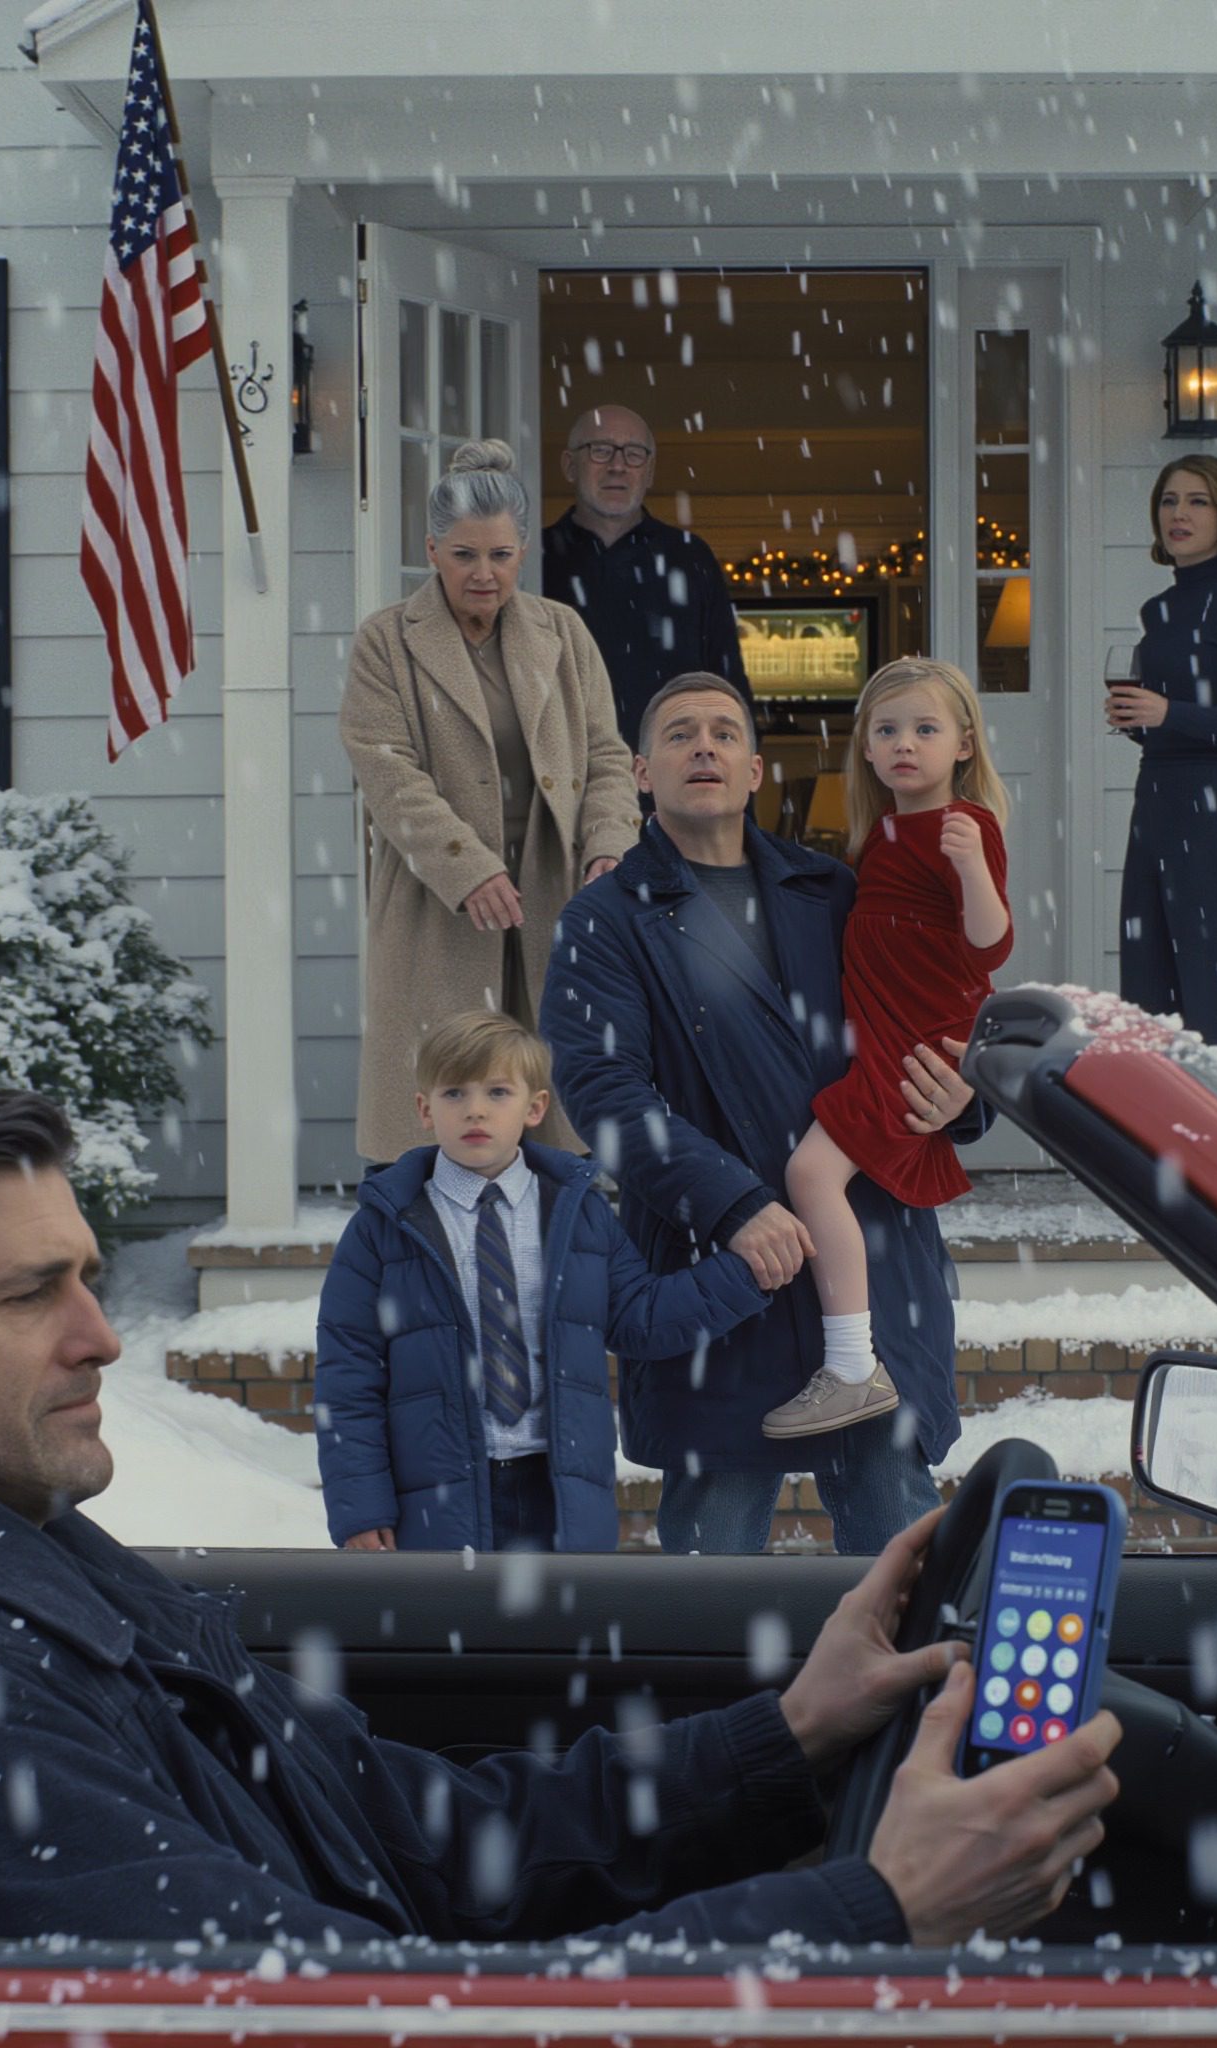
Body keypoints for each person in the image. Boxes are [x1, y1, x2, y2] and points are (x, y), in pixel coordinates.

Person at [0, 1090, 1121, 1952]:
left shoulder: (21, 1566)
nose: (102, 1335)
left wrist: (793, 1733)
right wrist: (878, 1908)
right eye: (33, 1294)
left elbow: (425, 1834)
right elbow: (328, 2018)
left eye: (88, 1279)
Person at [541, 675, 983, 1555]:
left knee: (901, 1578)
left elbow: (932, 1001)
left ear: (753, 770)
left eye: (723, 732)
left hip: (869, 1266)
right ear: (641, 773)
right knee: (713, 1577)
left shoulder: (837, 890)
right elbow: (605, 1090)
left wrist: (961, 1093)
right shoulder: (605, 923)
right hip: (720, 1276)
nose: (703, 746)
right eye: (679, 734)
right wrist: (735, 1205)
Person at [314, 1011, 771, 1554]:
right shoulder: (383, 1227)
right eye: (454, 1093)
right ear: (424, 1109)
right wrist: (361, 1506)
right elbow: (348, 1378)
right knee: (453, 1613)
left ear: (535, 1108)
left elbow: (641, 1318)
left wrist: (747, 1272)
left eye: (497, 1092)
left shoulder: (577, 1214)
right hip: (438, 1494)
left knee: (559, 1613)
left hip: (560, 1489)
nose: (475, 1109)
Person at [343, 439, 641, 1163]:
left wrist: (610, 844)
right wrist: (468, 867)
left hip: (555, 891)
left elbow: (606, 755)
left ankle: (555, 1225)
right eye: (465, 555)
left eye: (501, 556)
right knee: (440, 1107)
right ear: (432, 551)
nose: (485, 574)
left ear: (522, 552)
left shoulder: (563, 633)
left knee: (556, 1108)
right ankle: (425, 1228)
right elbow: (386, 770)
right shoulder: (386, 641)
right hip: (436, 902)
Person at [767, 659, 1013, 1440]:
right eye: (888, 730)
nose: (905, 743)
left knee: (811, 1174)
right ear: (868, 750)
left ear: (964, 744)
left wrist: (972, 867)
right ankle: (854, 1362)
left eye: (925, 728)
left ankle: (851, 1364)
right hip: (881, 1034)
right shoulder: (882, 836)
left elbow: (990, 946)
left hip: (913, 1047)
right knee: (818, 1176)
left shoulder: (966, 827)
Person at [1105, 456, 1217, 1085]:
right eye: (1169, 501)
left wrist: (1170, 712)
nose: (1178, 514)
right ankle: (1162, 1138)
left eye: (1197, 501)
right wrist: (1138, 720)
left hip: (1214, 812)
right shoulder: (1158, 610)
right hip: (1155, 804)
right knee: (1148, 995)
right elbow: (1169, 719)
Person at [540, 403, 754, 751]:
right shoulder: (535, 560)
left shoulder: (689, 558)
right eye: (600, 450)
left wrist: (738, 770)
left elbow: (727, 684)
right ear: (569, 465)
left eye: (634, 454)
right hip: (562, 768)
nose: (618, 466)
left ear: (650, 471)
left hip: (671, 768)